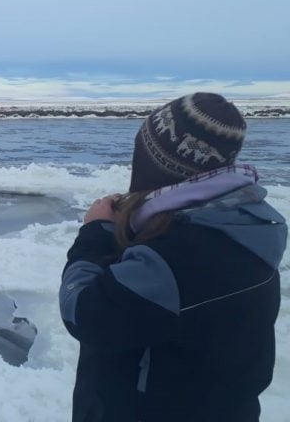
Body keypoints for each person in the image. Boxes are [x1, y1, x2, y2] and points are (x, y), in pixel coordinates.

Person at [59, 92, 287, 422]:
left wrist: (96, 234)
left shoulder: (171, 256)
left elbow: (83, 312)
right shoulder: (250, 226)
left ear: (157, 164)